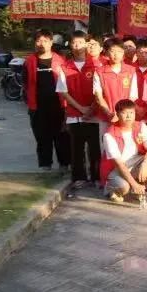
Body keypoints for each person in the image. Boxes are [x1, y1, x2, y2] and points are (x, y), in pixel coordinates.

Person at [56, 32, 100, 186]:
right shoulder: (65, 67)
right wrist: (81, 108)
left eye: (81, 42)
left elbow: (101, 90)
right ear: (70, 44)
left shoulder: (96, 65)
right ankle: (79, 178)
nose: (77, 46)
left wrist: (92, 108)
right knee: (77, 148)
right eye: (74, 42)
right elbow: (63, 91)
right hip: (74, 114)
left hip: (95, 114)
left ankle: (96, 177)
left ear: (87, 44)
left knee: (95, 148)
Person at [101, 99, 147, 204]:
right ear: (117, 114)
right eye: (124, 113)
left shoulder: (141, 126)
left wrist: (144, 164)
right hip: (116, 168)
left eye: (131, 113)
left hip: (135, 162)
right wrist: (134, 184)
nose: (128, 116)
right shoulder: (109, 135)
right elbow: (119, 164)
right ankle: (111, 189)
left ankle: (140, 191)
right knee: (124, 187)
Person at [25, 30, 70, 172]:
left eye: (45, 41)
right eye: (38, 41)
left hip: (59, 105)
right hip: (37, 106)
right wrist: (29, 102)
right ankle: (45, 165)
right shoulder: (29, 61)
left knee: (62, 136)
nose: (41, 44)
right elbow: (25, 83)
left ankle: (64, 164)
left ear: (51, 42)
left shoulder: (61, 60)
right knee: (42, 136)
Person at [93, 38, 138, 137]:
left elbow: (133, 95)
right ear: (106, 52)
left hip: (126, 118)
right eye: (112, 51)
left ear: (123, 52)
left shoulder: (131, 70)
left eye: (119, 51)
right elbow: (98, 97)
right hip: (106, 117)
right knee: (107, 143)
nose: (116, 55)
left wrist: (122, 114)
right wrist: (109, 113)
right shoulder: (99, 72)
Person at [133, 39, 147, 121]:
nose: (143, 55)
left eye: (146, 52)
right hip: (130, 110)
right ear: (136, 52)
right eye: (140, 52)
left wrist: (145, 108)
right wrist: (135, 107)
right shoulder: (129, 69)